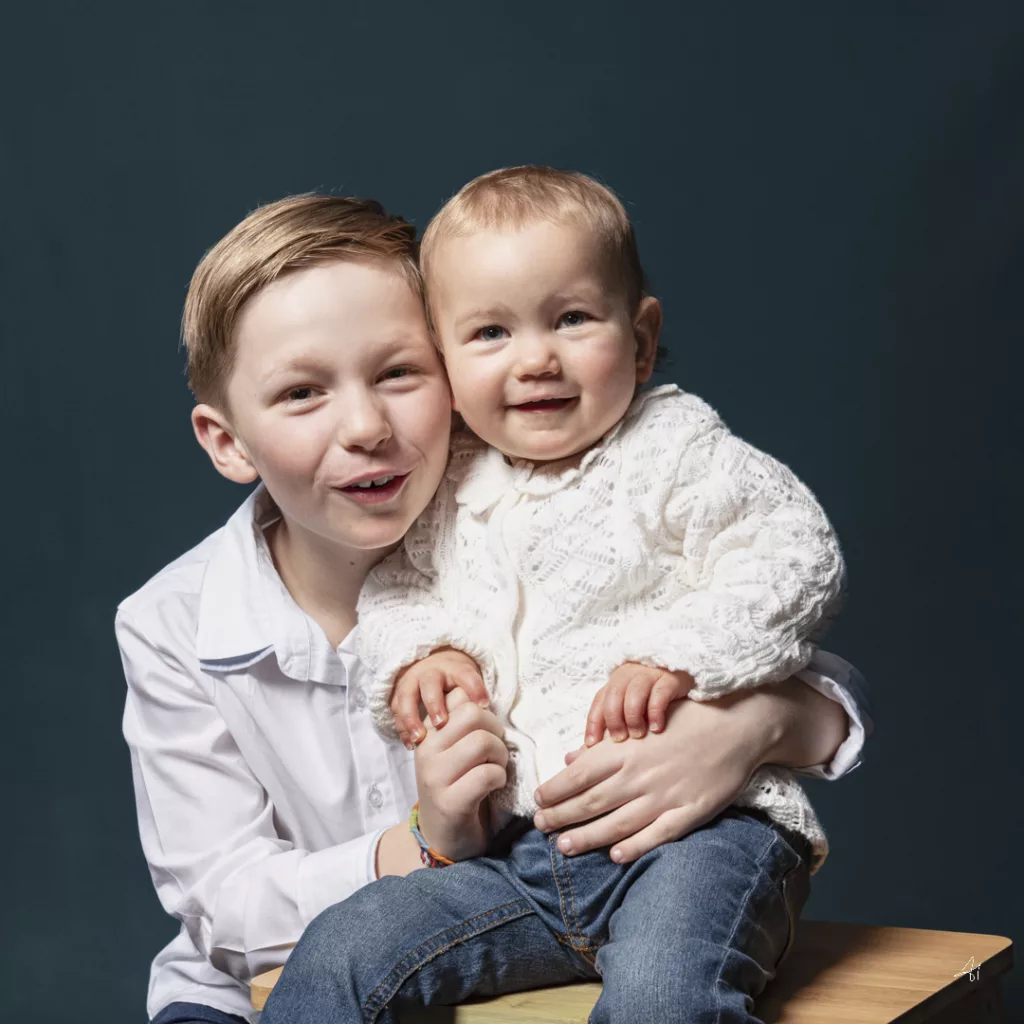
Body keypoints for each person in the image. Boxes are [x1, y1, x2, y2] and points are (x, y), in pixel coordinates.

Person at [118, 193, 871, 1024]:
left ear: (446, 367)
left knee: (663, 987)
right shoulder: (171, 623)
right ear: (228, 440)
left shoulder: (544, 480)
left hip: (585, 886)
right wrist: (425, 839)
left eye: (400, 372)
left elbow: (785, 627)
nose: (366, 426)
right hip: (250, 989)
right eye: (302, 393)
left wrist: (747, 725)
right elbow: (226, 906)